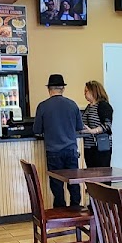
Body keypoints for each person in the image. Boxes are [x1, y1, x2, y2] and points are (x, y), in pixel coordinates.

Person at [33, 73, 85, 207]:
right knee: (73, 183)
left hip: (53, 151)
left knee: (57, 185)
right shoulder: (72, 105)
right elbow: (79, 127)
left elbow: (37, 130)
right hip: (71, 150)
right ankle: (76, 209)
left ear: (49, 89)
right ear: (63, 89)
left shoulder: (43, 106)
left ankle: (60, 212)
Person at [81, 80, 114, 167]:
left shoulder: (103, 106)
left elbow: (107, 125)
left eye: (86, 91)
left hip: (100, 146)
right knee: (90, 172)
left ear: (94, 91)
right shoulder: (89, 107)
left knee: (101, 172)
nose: (84, 94)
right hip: (89, 146)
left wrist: (93, 131)